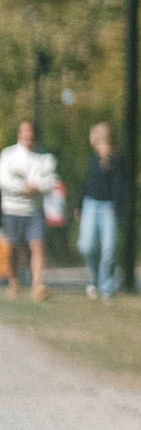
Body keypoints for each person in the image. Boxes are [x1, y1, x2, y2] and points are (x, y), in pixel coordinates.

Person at [1, 120, 58, 302]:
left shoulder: (45, 158)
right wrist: (23, 187)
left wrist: (37, 187)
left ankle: (37, 284)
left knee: (37, 245)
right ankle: (13, 281)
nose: (27, 136)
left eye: (30, 132)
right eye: (24, 132)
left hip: (34, 210)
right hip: (12, 208)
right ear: (19, 134)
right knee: (12, 248)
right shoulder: (8, 155)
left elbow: (51, 181)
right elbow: (4, 180)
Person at [77, 122, 124, 303]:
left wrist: (117, 207)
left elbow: (119, 185)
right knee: (86, 245)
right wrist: (79, 205)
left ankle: (106, 287)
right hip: (90, 205)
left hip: (108, 208)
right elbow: (87, 182)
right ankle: (94, 278)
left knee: (109, 249)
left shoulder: (116, 158)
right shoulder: (92, 157)